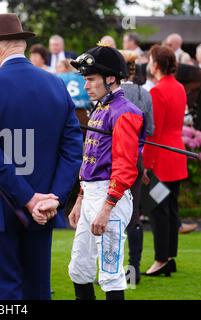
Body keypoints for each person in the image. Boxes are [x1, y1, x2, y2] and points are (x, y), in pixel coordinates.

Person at [0, 13, 83, 300]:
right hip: (43, 210)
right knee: (37, 291)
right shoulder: (56, 85)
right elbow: (72, 149)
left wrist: (28, 198)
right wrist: (52, 198)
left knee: (5, 294)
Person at [68, 44, 144, 300]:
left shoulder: (124, 112)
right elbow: (90, 161)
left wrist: (107, 207)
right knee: (79, 269)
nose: (85, 85)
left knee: (111, 274)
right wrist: (80, 198)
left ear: (110, 78)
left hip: (110, 200)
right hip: (91, 196)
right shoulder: (100, 108)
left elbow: (124, 168)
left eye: (90, 79)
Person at [142, 44, 188, 277]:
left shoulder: (157, 91)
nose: (148, 63)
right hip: (177, 156)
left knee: (158, 211)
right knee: (170, 210)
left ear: (156, 64)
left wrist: (146, 166)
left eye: (150, 59)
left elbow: (153, 133)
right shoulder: (179, 88)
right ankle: (169, 258)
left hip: (161, 160)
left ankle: (161, 260)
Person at [119, 49, 154, 284]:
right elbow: (149, 130)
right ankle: (133, 271)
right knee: (133, 217)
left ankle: (114, 271)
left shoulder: (115, 94)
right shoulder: (144, 94)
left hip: (115, 159)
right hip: (136, 159)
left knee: (111, 216)